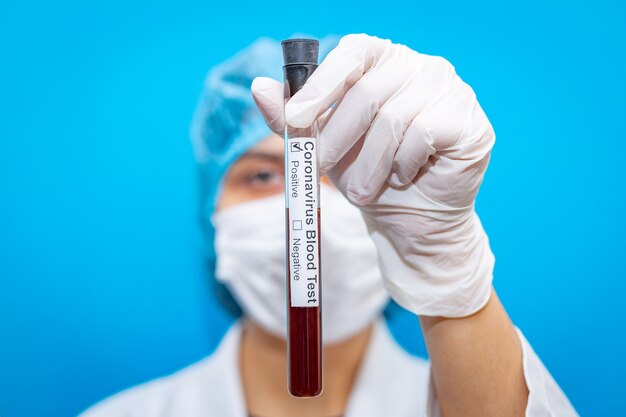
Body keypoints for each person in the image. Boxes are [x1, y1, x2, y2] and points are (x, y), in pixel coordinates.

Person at [81, 34, 578, 417]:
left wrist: (447, 270)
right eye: (259, 175)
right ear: (212, 214)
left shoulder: (472, 399)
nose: (309, 205)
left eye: (342, 170)